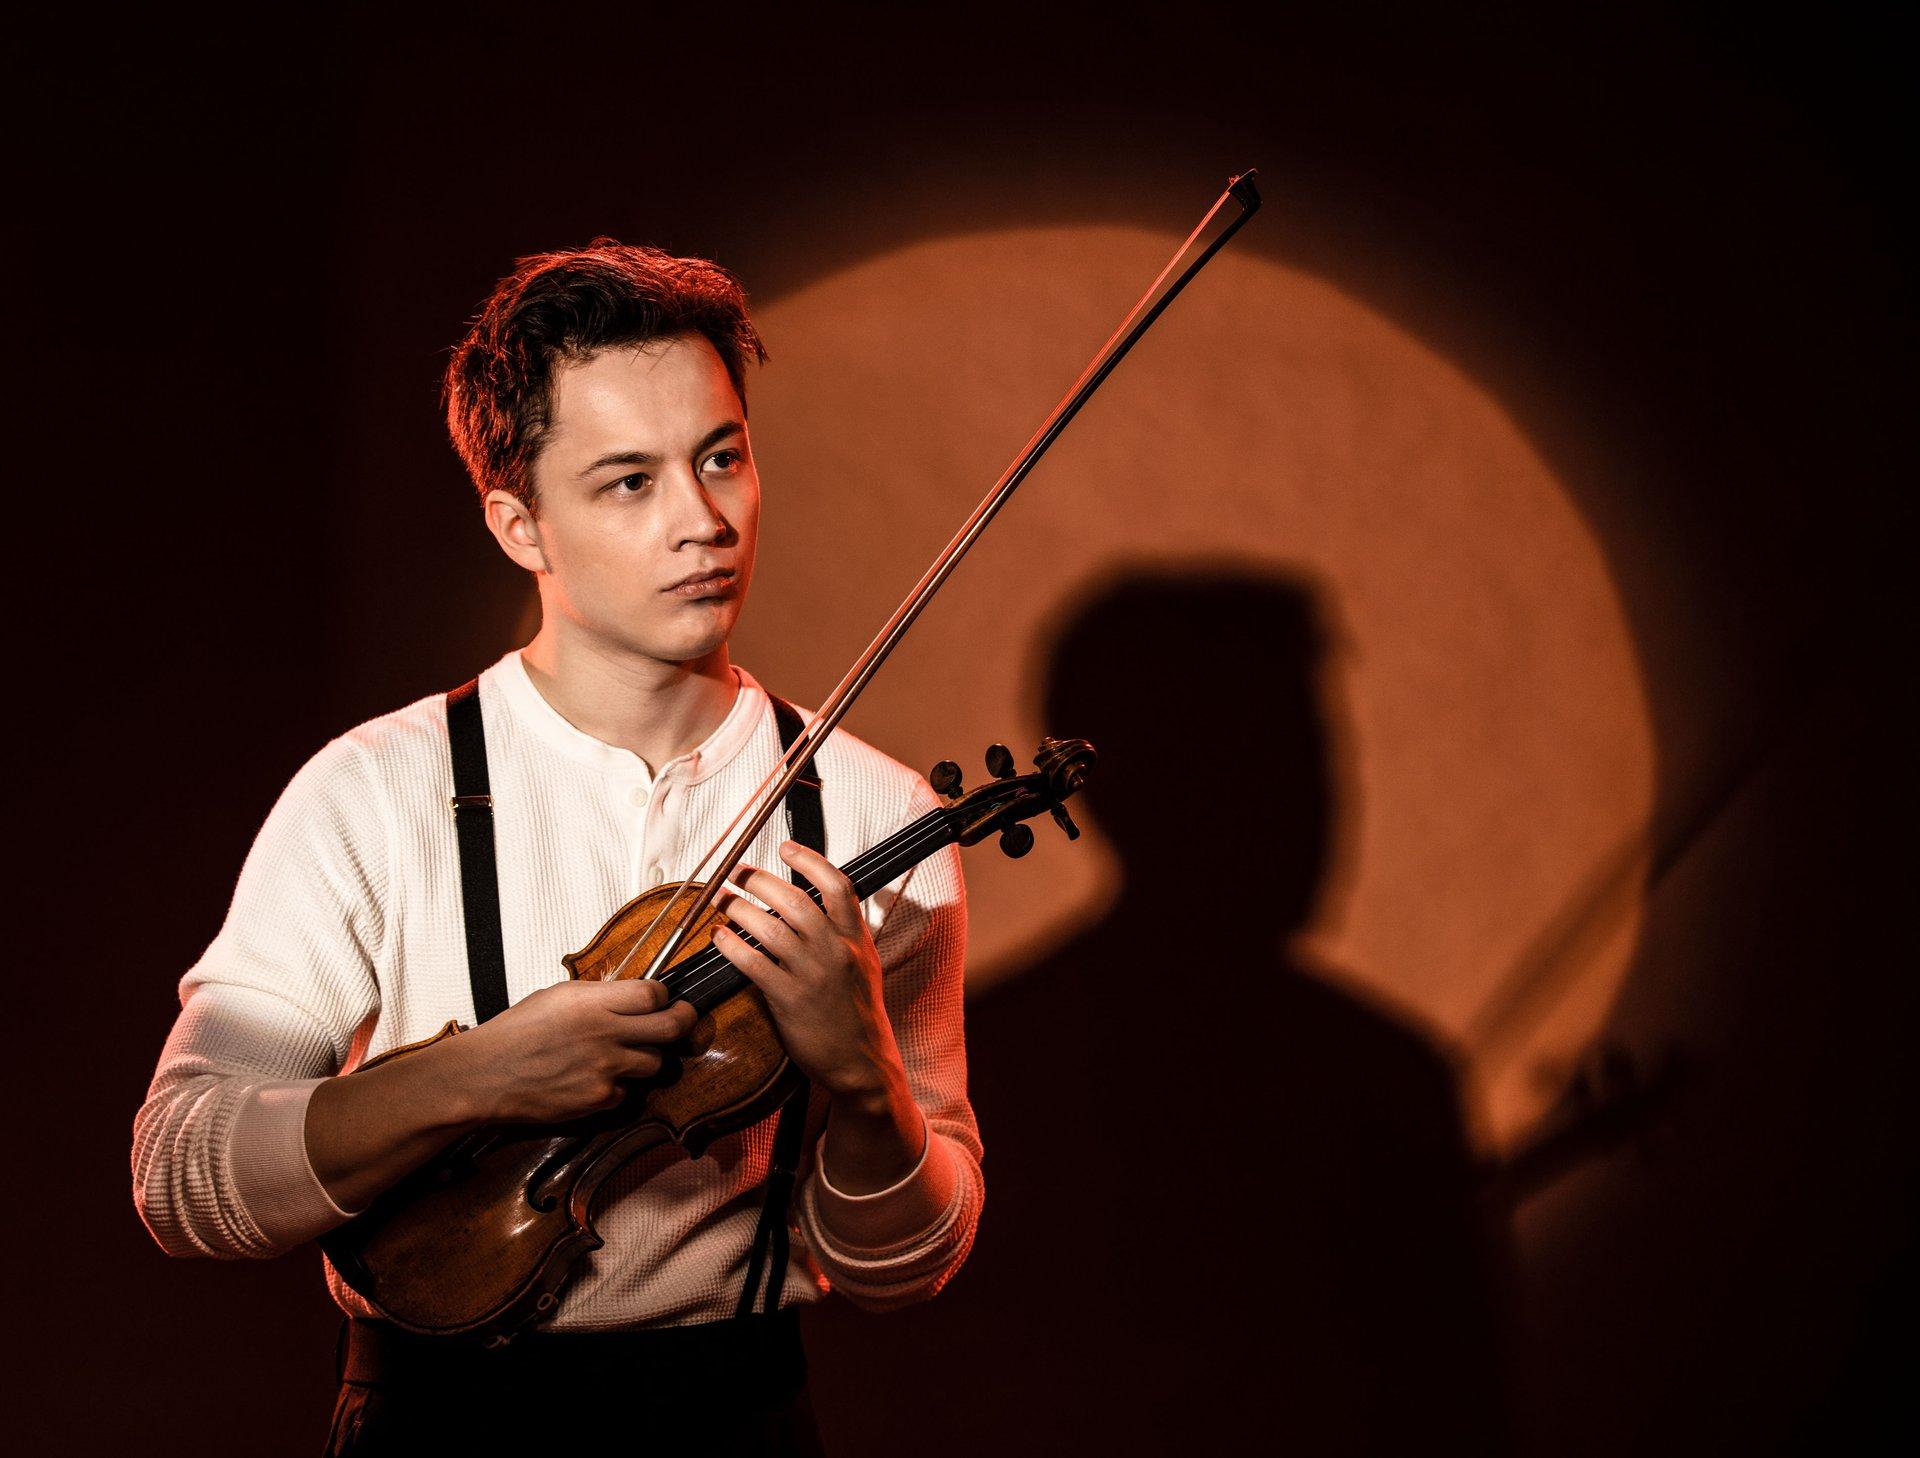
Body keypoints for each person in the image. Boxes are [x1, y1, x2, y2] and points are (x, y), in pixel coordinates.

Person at [130, 240, 983, 1454]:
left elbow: (910, 1270)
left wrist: (865, 1082)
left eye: (722, 458)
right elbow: (183, 1176)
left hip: (735, 1421)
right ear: (519, 524)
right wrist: (474, 1077)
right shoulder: (375, 792)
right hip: (433, 1426)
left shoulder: (874, 814)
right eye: (628, 482)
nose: (702, 521)